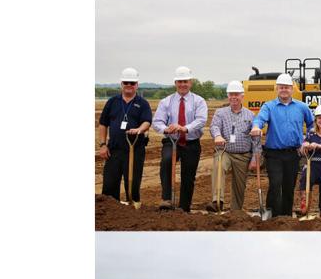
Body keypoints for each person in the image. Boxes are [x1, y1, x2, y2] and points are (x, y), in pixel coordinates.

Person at [249, 73, 314, 217]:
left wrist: (308, 139)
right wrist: (256, 127)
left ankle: (286, 216)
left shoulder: (302, 107)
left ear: (292, 89)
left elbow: (312, 124)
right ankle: (274, 214)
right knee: (275, 183)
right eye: (281, 87)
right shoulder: (269, 106)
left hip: (293, 153)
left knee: (289, 186)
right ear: (277, 89)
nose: (284, 90)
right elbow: (260, 119)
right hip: (274, 154)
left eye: (287, 87)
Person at [152, 66, 207, 211]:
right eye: (180, 81)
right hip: (171, 141)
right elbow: (157, 122)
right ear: (175, 83)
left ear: (191, 82)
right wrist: (166, 129)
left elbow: (201, 120)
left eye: (185, 81)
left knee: (188, 176)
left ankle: (184, 207)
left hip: (191, 142)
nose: (183, 84)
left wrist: (185, 128)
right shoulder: (166, 101)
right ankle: (167, 199)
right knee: (166, 161)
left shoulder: (199, 101)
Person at [99, 68, 152, 206]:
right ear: (121, 84)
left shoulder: (142, 103)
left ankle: (133, 211)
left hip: (134, 150)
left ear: (137, 85)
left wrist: (140, 129)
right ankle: (110, 211)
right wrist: (102, 145)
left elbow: (147, 122)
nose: (129, 85)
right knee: (109, 184)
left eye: (132, 83)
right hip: (114, 150)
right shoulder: (112, 102)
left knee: (132, 184)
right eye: (126, 82)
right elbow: (103, 124)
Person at [206, 81, 259, 212]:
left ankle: (235, 212)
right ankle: (217, 201)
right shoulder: (220, 113)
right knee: (219, 165)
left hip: (243, 155)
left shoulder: (250, 115)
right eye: (231, 94)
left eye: (236, 94)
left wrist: (254, 158)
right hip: (225, 151)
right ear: (228, 96)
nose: (233, 97)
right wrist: (217, 136)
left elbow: (256, 138)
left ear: (242, 96)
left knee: (239, 186)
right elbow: (214, 126)